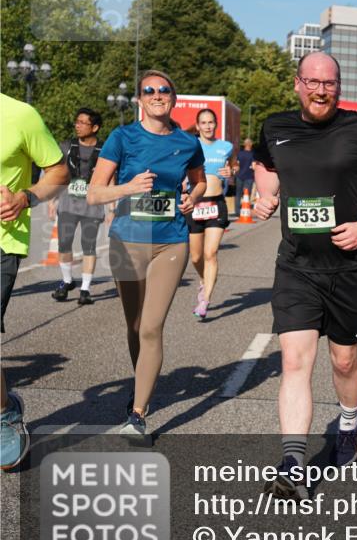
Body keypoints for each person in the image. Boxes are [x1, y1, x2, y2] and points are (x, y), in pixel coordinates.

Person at [253, 52, 357, 499]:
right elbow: (264, 166)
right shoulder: (275, 127)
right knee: (295, 362)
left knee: (344, 361)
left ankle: (349, 418)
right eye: (313, 82)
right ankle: (294, 463)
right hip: (297, 266)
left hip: (350, 269)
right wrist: (267, 194)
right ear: (298, 83)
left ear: (338, 88)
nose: (321, 90)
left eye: (330, 83)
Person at [87, 70, 206, 439]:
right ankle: (143, 382)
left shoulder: (187, 143)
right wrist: (128, 187)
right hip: (126, 241)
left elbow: (200, 180)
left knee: (153, 326)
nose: (157, 95)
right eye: (149, 91)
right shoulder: (122, 138)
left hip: (172, 241)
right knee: (135, 326)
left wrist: (193, 198)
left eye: (164, 90)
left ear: (174, 97)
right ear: (140, 99)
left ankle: (137, 413)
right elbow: (93, 193)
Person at [1, 93, 70, 470]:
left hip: (1, 239)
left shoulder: (19, 114)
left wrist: (25, 197)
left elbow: (59, 172)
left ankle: (3, 416)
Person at [49, 108, 109, 305]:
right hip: (67, 203)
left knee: (88, 245)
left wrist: (113, 208)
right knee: (64, 244)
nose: (78, 125)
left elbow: (112, 178)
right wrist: (52, 200)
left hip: (92, 205)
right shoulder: (66, 146)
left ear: (95, 127)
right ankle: (67, 282)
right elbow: (58, 174)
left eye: (83, 122)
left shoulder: (105, 150)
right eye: (77, 121)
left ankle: (85, 289)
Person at [186, 108, 234, 320]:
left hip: (216, 203)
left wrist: (230, 172)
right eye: (203, 123)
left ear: (216, 124)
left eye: (211, 122)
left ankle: (205, 300)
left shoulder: (226, 147)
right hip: (195, 203)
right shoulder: (191, 146)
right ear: (197, 126)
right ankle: (205, 279)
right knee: (196, 256)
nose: (207, 126)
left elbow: (233, 167)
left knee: (210, 253)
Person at [236, 137, 256, 202]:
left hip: (239, 176)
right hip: (249, 177)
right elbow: (253, 166)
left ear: (244, 144)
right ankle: (245, 209)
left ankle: (237, 211)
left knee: (238, 194)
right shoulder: (252, 154)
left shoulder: (240, 153)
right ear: (251, 145)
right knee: (246, 194)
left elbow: (237, 165)